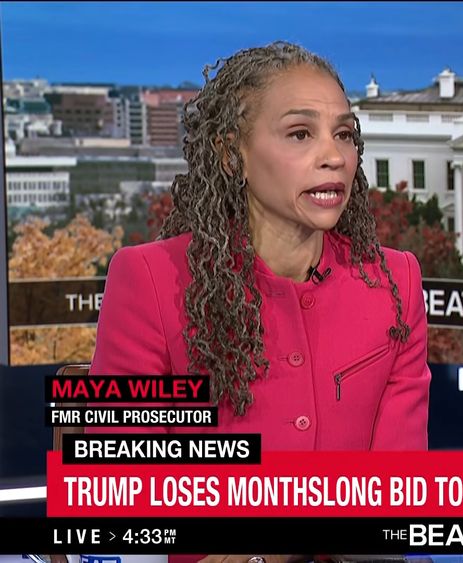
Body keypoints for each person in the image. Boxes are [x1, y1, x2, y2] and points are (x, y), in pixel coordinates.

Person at [89, 41, 431, 450]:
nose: (335, 157)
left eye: (343, 134)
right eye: (300, 133)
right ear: (232, 154)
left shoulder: (396, 284)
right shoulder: (149, 282)